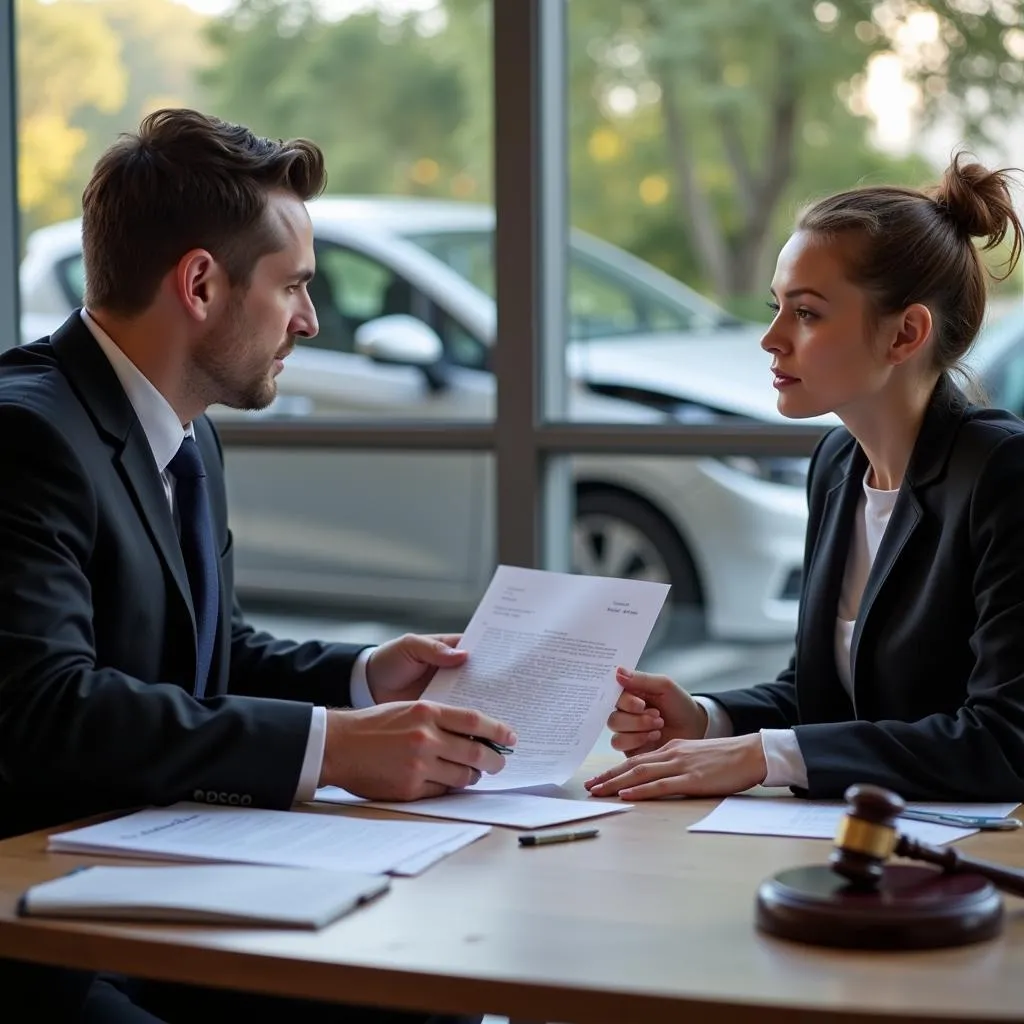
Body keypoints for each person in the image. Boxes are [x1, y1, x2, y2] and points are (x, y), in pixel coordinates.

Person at [0, 109, 516, 1022]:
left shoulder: (183, 431)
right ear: (200, 283)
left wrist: (362, 680)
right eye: (294, 288)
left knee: (434, 995)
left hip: (147, 882)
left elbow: (207, 653)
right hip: (44, 928)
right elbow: (44, 708)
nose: (312, 321)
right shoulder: (25, 434)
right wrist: (332, 749)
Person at [586, 154, 1024, 806]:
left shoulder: (1003, 474)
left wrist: (762, 757)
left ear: (905, 333)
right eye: (776, 307)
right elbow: (823, 694)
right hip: (850, 835)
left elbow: (1003, 740)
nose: (771, 338)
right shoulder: (837, 465)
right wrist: (709, 720)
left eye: (807, 313)